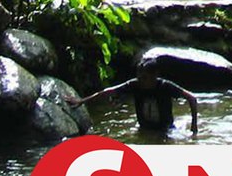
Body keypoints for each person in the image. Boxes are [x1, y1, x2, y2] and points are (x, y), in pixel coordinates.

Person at [69, 56, 199, 134]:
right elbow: (108, 92)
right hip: (144, 128)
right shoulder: (134, 85)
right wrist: (82, 101)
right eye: (139, 76)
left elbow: (192, 98)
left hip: (166, 130)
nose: (141, 80)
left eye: (145, 78)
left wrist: (194, 126)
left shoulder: (165, 86)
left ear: (155, 76)